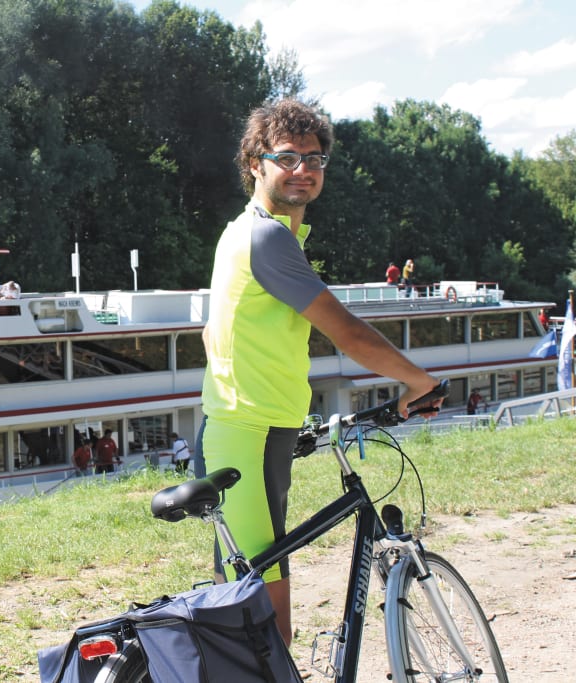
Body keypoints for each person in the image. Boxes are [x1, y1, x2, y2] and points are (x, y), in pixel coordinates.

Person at [201, 99, 441, 647]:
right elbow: (348, 333)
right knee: (268, 625)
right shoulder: (266, 237)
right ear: (255, 164)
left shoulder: (248, 231)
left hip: (257, 430)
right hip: (248, 436)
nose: (303, 168)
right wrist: (419, 383)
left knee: (245, 613)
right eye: (286, 156)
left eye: (314, 158)